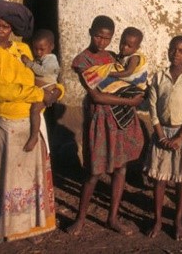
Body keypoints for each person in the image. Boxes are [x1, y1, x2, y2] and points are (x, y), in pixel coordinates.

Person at [0, 0, 63, 243]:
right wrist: (40, 95)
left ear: (12, 29)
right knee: (2, 177)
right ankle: (0, 229)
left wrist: (57, 90)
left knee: (29, 178)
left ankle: (29, 227)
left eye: (5, 26)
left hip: (30, 121)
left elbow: (40, 76)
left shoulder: (23, 50)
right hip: (4, 125)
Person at [68, 16, 145, 236]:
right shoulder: (82, 61)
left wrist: (136, 92)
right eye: (98, 36)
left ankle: (112, 218)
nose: (102, 42)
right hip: (100, 119)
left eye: (107, 38)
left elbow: (128, 79)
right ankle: (80, 219)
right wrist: (130, 102)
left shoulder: (112, 57)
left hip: (120, 119)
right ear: (90, 32)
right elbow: (96, 96)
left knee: (120, 168)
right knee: (93, 172)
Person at [144, 35, 182, 241]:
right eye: (173, 49)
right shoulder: (159, 77)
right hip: (162, 133)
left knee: (181, 181)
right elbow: (152, 108)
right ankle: (157, 220)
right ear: (168, 50)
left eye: (181, 51)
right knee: (160, 179)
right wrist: (160, 135)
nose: (176, 54)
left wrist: (179, 137)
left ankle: (177, 222)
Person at [80, 26, 148, 129]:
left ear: (136, 48)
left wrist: (109, 73)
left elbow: (127, 73)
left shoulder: (134, 57)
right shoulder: (117, 56)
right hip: (104, 107)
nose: (124, 47)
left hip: (136, 84)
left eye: (129, 46)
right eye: (123, 43)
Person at [21, 28, 60, 152]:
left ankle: (34, 137)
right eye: (35, 49)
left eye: (42, 49)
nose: (38, 52)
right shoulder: (40, 58)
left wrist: (29, 63)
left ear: (51, 47)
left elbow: (43, 72)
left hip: (48, 87)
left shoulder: (51, 59)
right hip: (42, 88)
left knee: (35, 110)